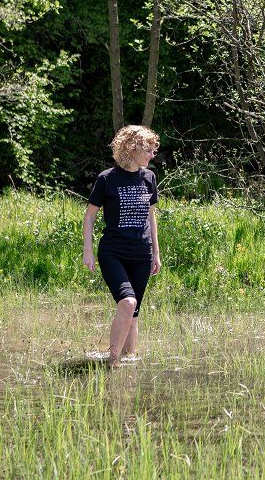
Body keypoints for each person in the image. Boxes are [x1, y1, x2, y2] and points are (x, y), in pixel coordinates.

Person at [82, 125, 161, 367]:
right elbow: (90, 216)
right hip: (113, 253)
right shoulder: (107, 178)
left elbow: (151, 217)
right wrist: (88, 251)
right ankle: (112, 362)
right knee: (128, 302)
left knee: (133, 314)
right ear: (131, 148)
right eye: (148, 150)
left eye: (153, 150)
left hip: (142, 254)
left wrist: (156, 253)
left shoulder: (149, 177)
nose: (152, 155)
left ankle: (128, 366)